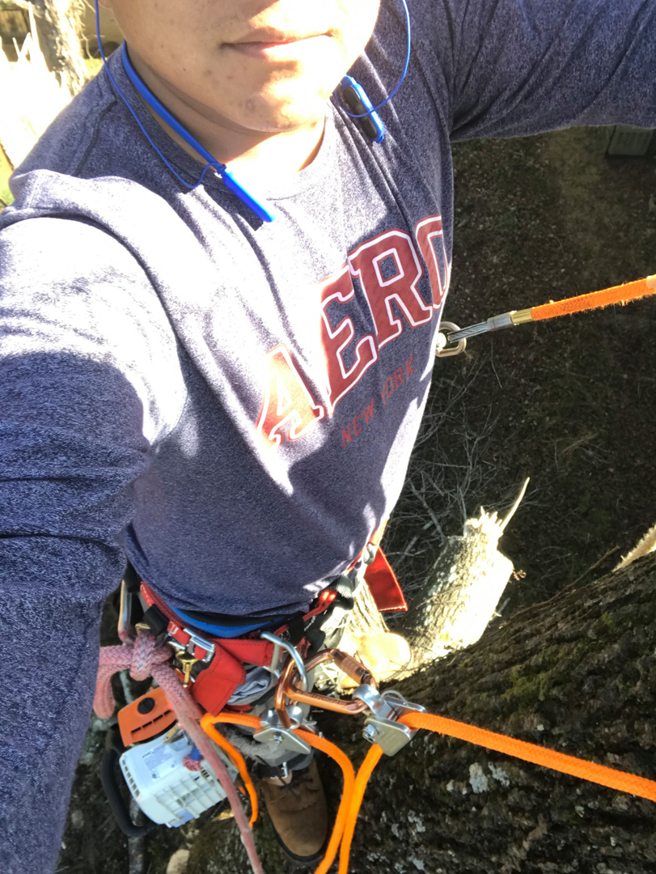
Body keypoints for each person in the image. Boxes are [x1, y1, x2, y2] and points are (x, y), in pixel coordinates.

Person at [0, 0, 654, 871]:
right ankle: (282, 767)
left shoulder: (405, 44)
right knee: (280, 724)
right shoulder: (85, 257)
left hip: (340, 542)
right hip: (239, 618)